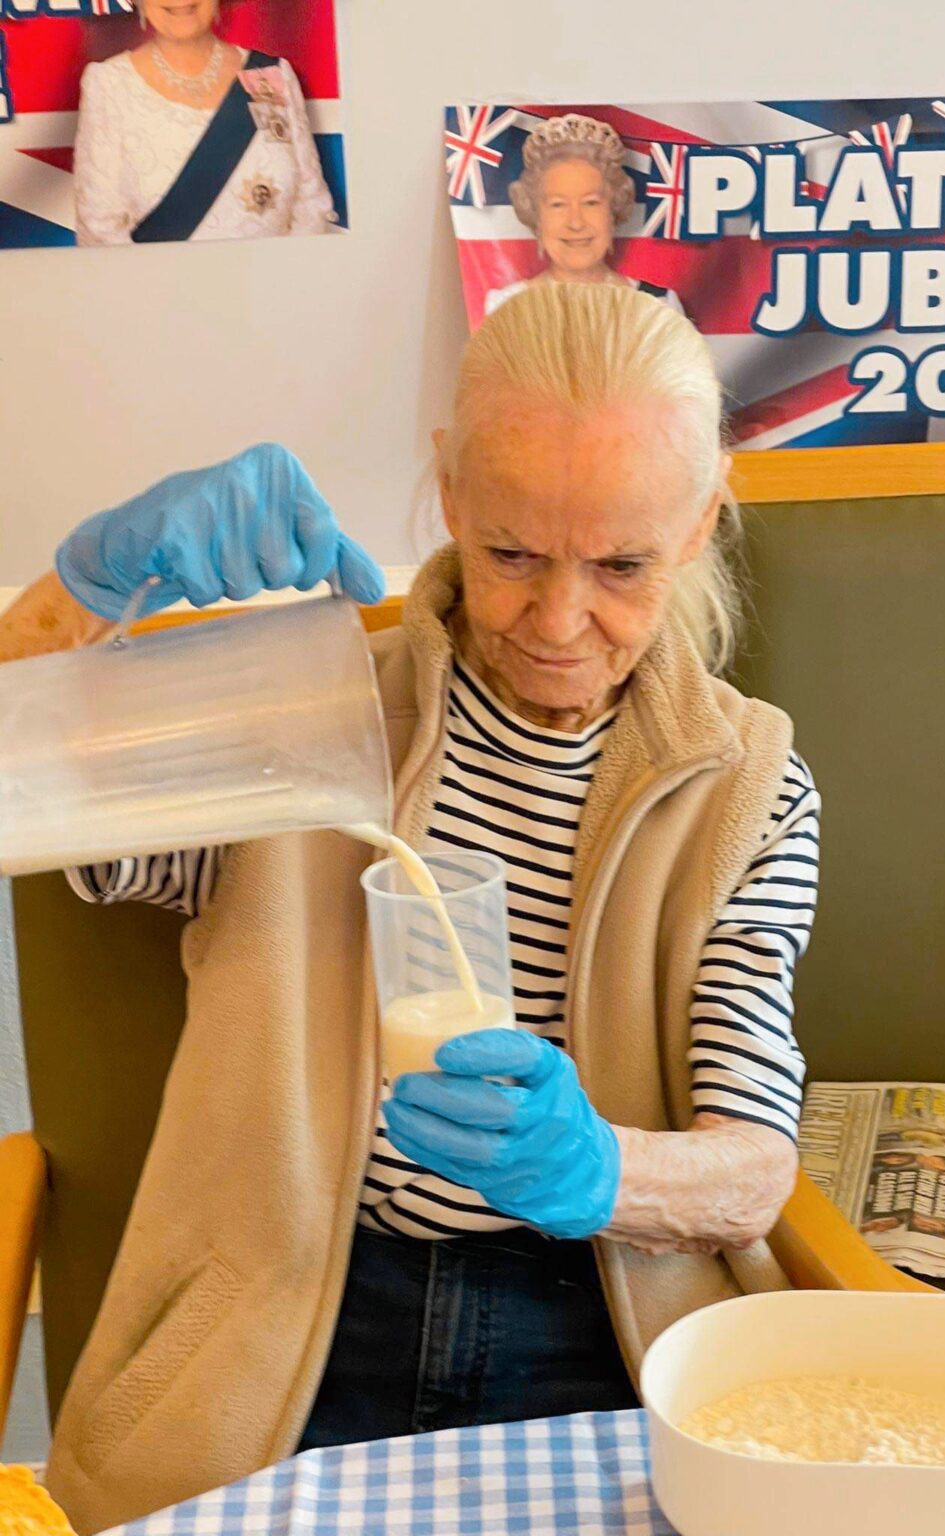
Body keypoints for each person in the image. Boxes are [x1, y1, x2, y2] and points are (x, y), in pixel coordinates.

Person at [1, 286, 819, 1535]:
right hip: (300, 1318)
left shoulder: (746, 788)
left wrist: (600, 1169)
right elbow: (23, 782)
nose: (559, 622)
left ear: (701, 520)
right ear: (449, 492)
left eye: (621, 566)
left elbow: (752, 1169)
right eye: (511, 555)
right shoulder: (297, 716)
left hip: (602, 1322)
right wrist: (80, 592)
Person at [73, 0, 338, 246]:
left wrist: (286, 277)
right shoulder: (109, 84)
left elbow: (311, 204)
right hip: (162, 282)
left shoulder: (270, 75)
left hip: (276, 278)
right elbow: (99, 230)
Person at [484, 114, 685, 316]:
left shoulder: (660, 306)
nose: (576, 223)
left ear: (613, 210)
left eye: (591, 203)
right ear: (536, 216)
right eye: (558, 205)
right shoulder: (504, 307)